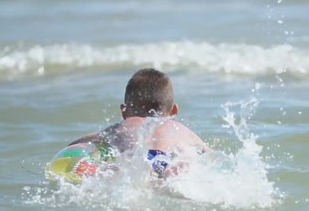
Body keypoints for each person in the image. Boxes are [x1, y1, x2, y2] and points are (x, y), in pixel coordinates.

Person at [69, 68, 210, 177]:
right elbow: (210, 155)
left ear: (124, 112)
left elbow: (76, 146)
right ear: (174, 110)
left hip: (135, 163)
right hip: (167, 162)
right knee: (182, 163)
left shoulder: (119, 129)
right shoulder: (179, 130)